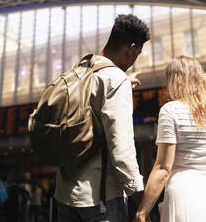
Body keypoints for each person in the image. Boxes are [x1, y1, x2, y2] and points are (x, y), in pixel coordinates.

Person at [54, 14, 150, 221]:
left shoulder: (79, 71)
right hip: (99, 200)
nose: (135, 60)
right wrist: (139, 194)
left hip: (64, 194)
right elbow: (121, 147)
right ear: (131, 47)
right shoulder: (116, 80)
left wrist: (123, 81)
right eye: (138, 53)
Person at [134, 56, 206, 222]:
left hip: (186, 191)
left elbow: (163, 168)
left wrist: (142, 212)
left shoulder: (170, 111)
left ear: (172, 80)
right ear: (199, 77)